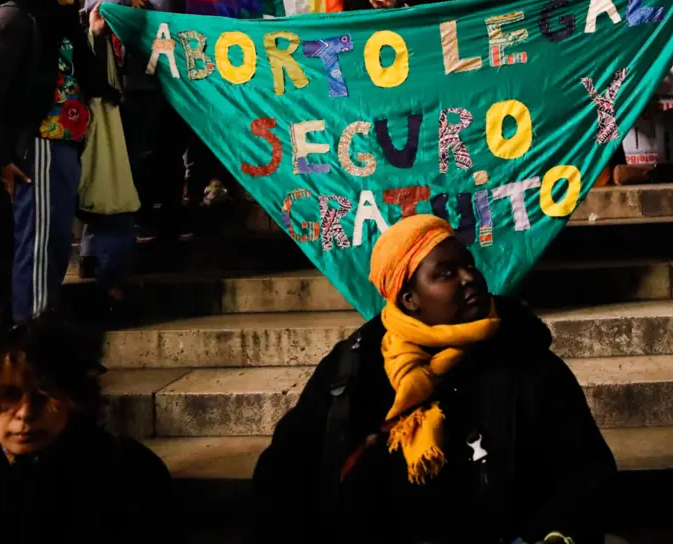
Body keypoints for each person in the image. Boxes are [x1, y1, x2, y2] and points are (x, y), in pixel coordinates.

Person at [249, 214, 617, 544]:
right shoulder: (355, 367)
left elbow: (585, 472)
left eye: (469, 265)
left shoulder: (525, 358)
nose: (470, 277)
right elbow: (284, 470)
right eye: (446, 273)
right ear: (410, 299)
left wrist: (554, 535)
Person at [0, 0, 113, 324]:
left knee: (56, 243)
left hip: (64, 145)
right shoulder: (15, 18)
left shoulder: (57, 20)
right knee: (40, 245)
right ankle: (32, 339)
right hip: (39, 145)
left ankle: (42, 333)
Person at [0, 316, 175, 542]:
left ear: (74, 399)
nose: (26, 413)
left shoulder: (129, 470)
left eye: (45, 395)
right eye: (9, 395)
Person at [85, 0, 193, 242]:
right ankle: (140, 221)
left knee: (174, 155)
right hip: (143, 82)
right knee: (143, 153)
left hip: (183, 84)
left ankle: (171, 224)